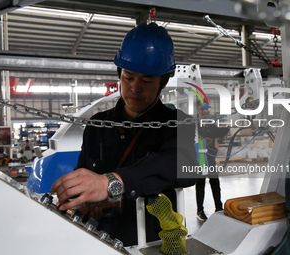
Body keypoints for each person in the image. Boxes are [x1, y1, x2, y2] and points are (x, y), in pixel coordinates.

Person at [51, 23, 198, 246]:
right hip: (98, 240)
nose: (134, 88)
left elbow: (182, 165)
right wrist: (82, 204)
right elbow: (85, 173)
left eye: (147, 81)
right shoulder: (97, 125)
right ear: (120, 73)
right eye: (128, 77)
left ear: (164, 81)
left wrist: (111, 182)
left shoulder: (179, 122)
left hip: (151, 242)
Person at [196, 103, 229, 221]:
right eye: (205, 110)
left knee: (215, 182)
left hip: (210, 156)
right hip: (200, 157)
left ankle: (218, 207)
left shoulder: (210, 123)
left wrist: (228, 127)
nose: (208, 112)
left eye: (208, 109)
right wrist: (204, 139)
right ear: (199, 110)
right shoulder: (194, 124)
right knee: (200, 183)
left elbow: (217, 133)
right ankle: (200, 210)